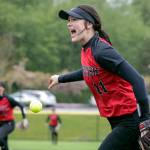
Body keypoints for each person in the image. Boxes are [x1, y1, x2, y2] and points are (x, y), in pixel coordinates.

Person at [48, 4, 150, 150]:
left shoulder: (101, 50)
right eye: (68, 20)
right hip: (116, 121)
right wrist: (60, 78)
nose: (69, 23)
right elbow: (89, 71)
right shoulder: (87, 49)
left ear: (89, 24)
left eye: (74, 19)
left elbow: (138, 79)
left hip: (129, 121)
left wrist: (146, 117)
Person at [0, 81, 29, 150]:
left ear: (2, 89)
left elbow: (21, 106)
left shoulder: (8, 99)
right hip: (0, 124)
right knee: (3, 140)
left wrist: (24, 119)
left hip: (8, 124)